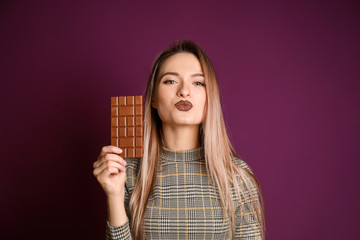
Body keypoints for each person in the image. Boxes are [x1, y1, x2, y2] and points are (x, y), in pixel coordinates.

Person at [93, 40, 265, 239]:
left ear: (210, 99)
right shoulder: (127, 172)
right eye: (170, 81)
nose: (184, 91)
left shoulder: (238, 176)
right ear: (154, 99)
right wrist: (114, 195)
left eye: (198, 82)